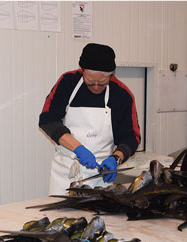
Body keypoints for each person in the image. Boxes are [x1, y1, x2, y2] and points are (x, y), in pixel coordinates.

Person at [39, 43, 141, 195]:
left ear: (111, 74)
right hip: (66, 171)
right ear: (82, 71)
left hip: (101, 176)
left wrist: (116, 159)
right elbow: (48, 120)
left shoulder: (122, 95)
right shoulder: (67, 83)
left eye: (102, 83)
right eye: (90, 81)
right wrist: (78, 148)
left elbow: (131, 137)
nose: (95, 87)